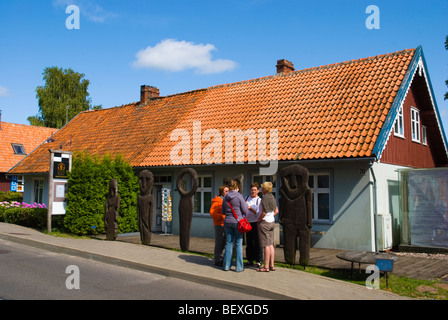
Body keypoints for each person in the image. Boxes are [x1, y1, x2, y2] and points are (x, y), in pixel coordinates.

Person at [221, 179, 248, 272]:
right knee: (238, 244)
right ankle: (239, 267)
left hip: (227, 221)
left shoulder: (225, 197)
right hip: (238, 222)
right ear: (236, 187)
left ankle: (226, 266)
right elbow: (245, 210)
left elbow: (223, 211)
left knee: (228, 244)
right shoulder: (239, 196)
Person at [257, 181, 279, 272]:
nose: (261, 189)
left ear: (265, 189)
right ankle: (272, 265)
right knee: (270, 244)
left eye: (262, 188)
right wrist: (271, 216)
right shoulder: (272, 197)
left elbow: (264, 212)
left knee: (266, 245)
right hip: (272, 222)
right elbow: (276, 210)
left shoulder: (264, 198)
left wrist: (259, 220)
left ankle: (266, 267)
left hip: (265, 222)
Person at [209, 185, 229, 266]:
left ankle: (223, 258)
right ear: (221, 192)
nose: (227, 193)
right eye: (225, 191)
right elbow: (212, 213)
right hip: (219, 224)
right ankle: (217, 259)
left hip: (226, 224)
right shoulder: (217, 200)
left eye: (228, 191)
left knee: (224, 242)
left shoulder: (226, 199)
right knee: (219, 242)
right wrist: (223, 217)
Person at [244, 182, 262, 268]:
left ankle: (258, 260)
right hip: (247, 223)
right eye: (252, 190)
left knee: (257, 242)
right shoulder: (246, 198)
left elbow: (258, 213)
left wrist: (250, 209)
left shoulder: (259, 200)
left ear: (258, 191)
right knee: (249, 242)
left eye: (255, 190)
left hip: (256, 223)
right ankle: (249, 259)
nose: (253, 191)